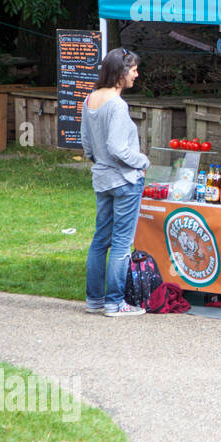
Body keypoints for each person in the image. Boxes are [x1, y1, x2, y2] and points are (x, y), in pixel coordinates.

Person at [81, 48, 150, 317]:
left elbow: (87, 145)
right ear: (120, 73)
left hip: (102, 178)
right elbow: (118, 148)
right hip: (124, 180)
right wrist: (143, 161)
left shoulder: (90, 100)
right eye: (133, 69)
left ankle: (94, 300)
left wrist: (98, 159)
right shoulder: (118, 105)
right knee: (122, 243)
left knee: (100, 241)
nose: (136, 74)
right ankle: (115, 302)